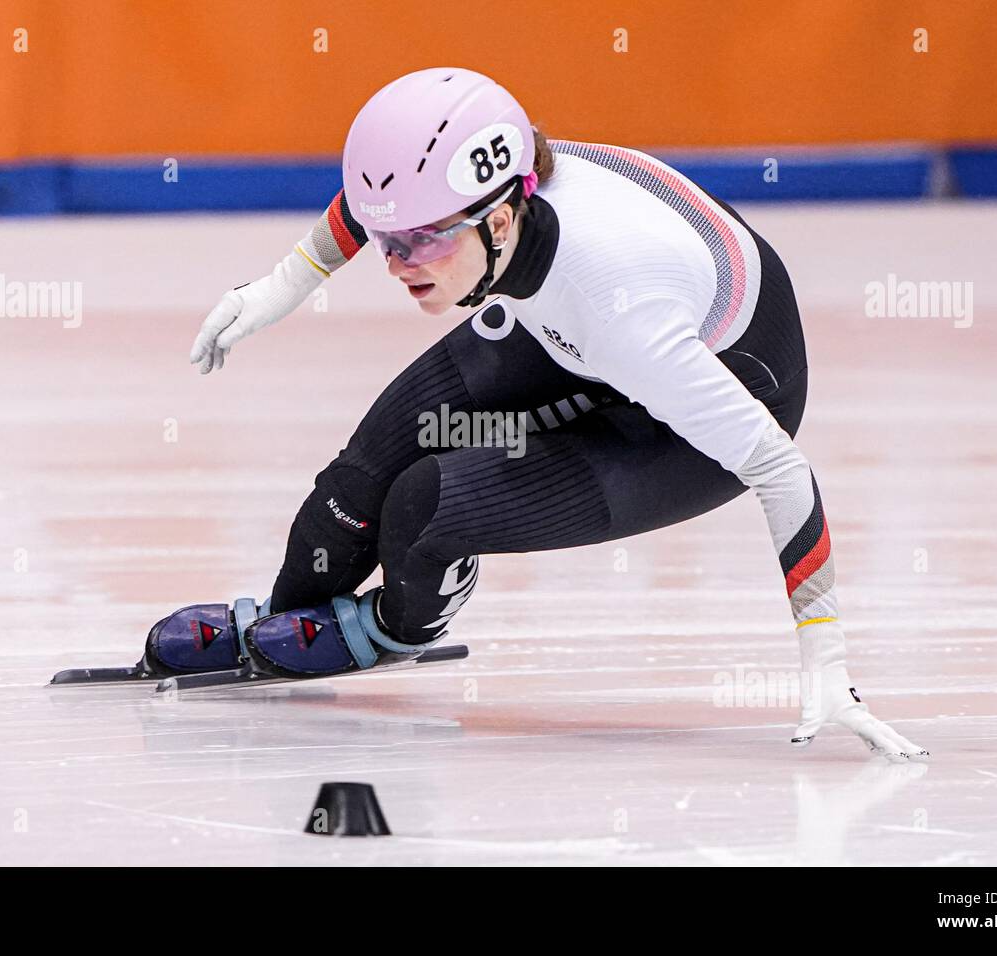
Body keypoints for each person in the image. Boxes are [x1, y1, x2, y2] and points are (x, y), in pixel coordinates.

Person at [158, 67, 926, 761]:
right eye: (388, 242)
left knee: (419, 511)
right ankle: (284, 615)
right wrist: (285, 283)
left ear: (498, 221)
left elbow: (780, 469)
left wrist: (825, 656)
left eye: (420, 243)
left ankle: (397, 626)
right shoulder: (497, 183)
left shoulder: (620, 311)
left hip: (695, 407)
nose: (395, 264)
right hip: (589, 328)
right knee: (358, 479)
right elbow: (381, 203)